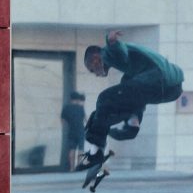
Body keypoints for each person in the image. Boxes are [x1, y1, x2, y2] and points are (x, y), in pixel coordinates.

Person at [75, 30, 184, 171]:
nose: (96, 74)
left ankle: (95, 152)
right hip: (172, 90)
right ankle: (132, 124)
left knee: (104, 99)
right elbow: (135, 95)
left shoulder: (106, 54)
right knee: (125, 95)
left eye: (92, 70)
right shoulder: (131, 74)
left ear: (95, 59)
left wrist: (112, 41)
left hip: (158, 78)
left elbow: (120, 52)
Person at [60, 91, 86, 170]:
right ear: (77, 99)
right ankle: (78, 166)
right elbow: (86, 119)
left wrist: (68, 124)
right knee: (80, 149)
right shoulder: (80, 108)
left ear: (70, 99)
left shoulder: (66, 108)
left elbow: (62, 121)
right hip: (80, 130)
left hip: (71, 130)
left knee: (72, 149)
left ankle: (72, 168)